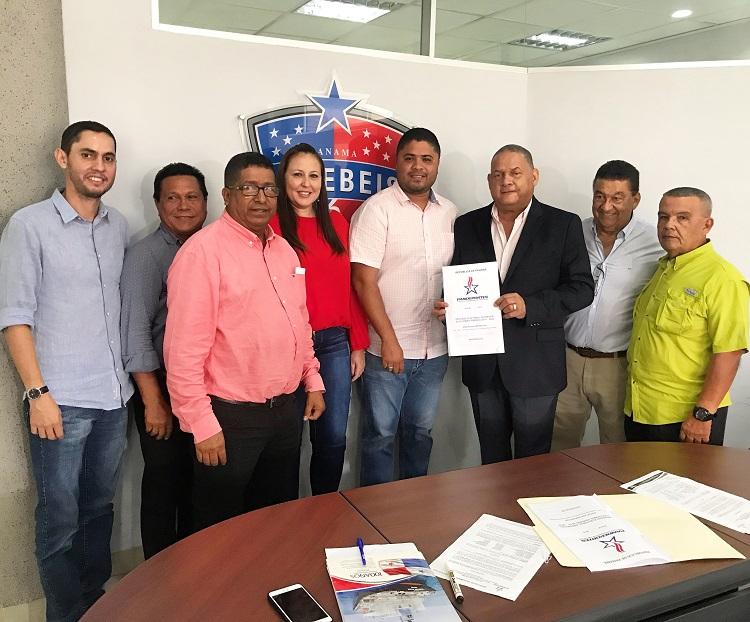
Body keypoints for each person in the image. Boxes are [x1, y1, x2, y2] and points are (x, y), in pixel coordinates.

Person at [0, 121, 133, 622]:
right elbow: (15, 317)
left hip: (114, 398)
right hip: (60, 401)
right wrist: (38, 394)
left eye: (108, 157)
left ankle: (96, 603)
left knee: (100, 509)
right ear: (63, 159)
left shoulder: (118, 226)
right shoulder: (29, 225)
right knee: (60, 520)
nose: (99, 166)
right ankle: (65, 615)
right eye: (87, 155)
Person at [164, 152, 325, 531]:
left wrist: (312, 378)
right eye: (249, 188)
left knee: (275, 522)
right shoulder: (201, 253)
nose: (261, 198)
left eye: (269, 188)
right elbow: (183, 352)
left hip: (286, 412)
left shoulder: (284, 250)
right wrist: (201, 423)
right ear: (227, 194)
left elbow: (299, 322)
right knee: (219, 531)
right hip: (229, 418)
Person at [435, 144, 593, 464]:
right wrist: (448, 309)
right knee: (492, 461)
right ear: (489, 181)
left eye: (515, 173)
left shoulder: (563, 224)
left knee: (533, 464)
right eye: (498, 174)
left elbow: (581, 289)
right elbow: (460, 282)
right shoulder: (467, 225)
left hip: (536, 366)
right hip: (483, 364)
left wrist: (530, 306)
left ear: (534, 176)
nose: (506, 180)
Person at [350, 127, 457, 486]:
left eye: (426, 159)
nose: (418, 167)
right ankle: (375, 509)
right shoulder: (376, 210)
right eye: (409, 158)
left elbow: (459, 277)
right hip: (387, 352)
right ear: (397, 162)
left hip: (435, 351)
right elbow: (363, 282)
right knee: (380, 437)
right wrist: (389, 340)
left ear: (437, 164)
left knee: (420, 434)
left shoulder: (451, 213)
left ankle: (414, 507)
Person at [270, 143, 369, 494]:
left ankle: (324, 511)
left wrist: (358, 344)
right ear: (283, 179)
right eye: (297, 174)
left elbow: (350, 286)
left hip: (333, 344)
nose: (306, 183)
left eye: (314, 176)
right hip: (286, 348)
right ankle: (285, 516)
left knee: (332, 438)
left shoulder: (337, 223)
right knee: (286, 441)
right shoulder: (270, 225)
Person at [120, 162, 208, 558]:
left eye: (192, 197)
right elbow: (135, 332)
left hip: (203, 385)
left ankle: (190, 568)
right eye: (173, 198)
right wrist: (153, 402)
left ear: (206, 202)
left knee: (197, 480)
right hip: (160, 386)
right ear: (158, 204)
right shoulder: (146, 256)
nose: (183, 206)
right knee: (164, 481)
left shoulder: (210, 249)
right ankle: (158, 573)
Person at [551, 161, 662, 451]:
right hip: (567, 359)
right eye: (599, 196)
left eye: (617, 198)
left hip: (617, 366)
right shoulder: (573, 232)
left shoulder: (655, 243)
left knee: (617, 449)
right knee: (559, 447)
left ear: (635, 199)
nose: (606, 206)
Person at [625, 187, 748, 445]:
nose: (669, 225)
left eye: (682, 218)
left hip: (685, 418)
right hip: (641, 408)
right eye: (663, 217)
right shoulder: (663, 269)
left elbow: (729, 352)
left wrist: (703, 413)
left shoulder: (722, 279)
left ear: (707, 224)